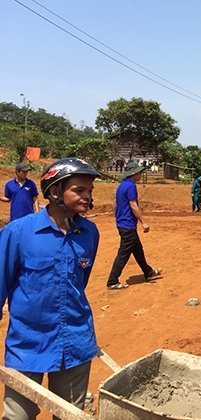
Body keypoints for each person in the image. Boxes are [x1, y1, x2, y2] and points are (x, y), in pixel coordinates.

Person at [0, 158, 101, 419]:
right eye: (79, 190)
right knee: (16, 416)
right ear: (55, 192)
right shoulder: (18, 233)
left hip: (75, 344)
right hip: (27, 346)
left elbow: (80, 283)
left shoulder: (90, 232)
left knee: (69, 416)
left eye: (90, 190)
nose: (87, 197)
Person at [106, 162, 162, 289]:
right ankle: (112, 281)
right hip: (127, 224)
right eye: (139, 172)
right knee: (123, 253)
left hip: (123, 223)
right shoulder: (131, 186)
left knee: (138, 250)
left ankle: (148, 272)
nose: (140, 174)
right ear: (133, 173)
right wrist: (143, 221)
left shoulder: (122, 185)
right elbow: (133, 205)